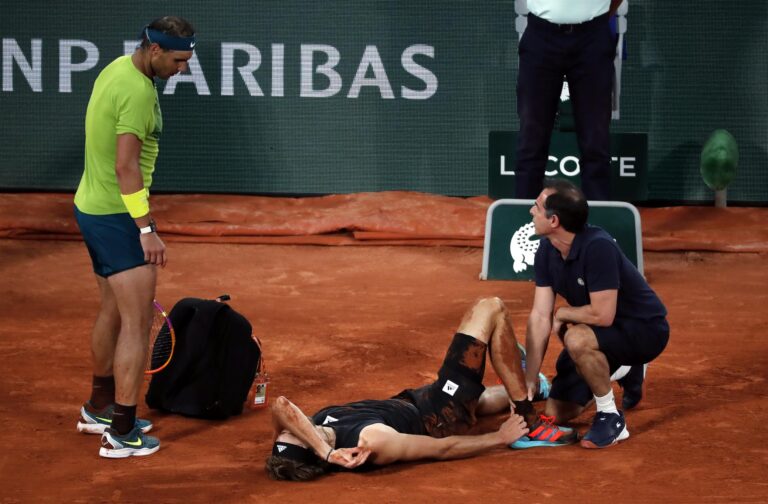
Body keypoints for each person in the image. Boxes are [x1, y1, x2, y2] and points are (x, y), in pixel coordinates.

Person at [265, 297, 578, 481]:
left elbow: (281, 407)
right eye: (297, 435)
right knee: (490, 308)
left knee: (481, 399)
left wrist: (325, 451)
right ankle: (528, 419)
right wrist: (499, 437)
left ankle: (531, 386)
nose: (297, 428)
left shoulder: (319, 429)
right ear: (310, 448)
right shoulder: (370, 441)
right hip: (441, 414)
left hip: (417, 399)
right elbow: (441, 449)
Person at [72, 16, 196, 458]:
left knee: (112, 309)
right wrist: (146, 229)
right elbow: (126, 167)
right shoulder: (139, 93)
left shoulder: (118, 68)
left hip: (91, 207)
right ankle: (122, 432)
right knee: (137, 323)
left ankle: (99, 407)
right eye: (178, 61)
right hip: (118, 216)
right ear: (155, 50)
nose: (183, 69)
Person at [523, 179, 669, 448]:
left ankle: (610, 416)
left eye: (537, 207)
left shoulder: (598, 247)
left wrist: (564, 313)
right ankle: (625, 370)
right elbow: (540, 316)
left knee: (576, 338)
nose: (531, 211)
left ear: (553, 221)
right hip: (602, 331)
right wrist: (530, 378)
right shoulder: (547, 250)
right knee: (556, 412)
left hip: (643, 329)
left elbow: (603, 316)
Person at [515, 0, 624, 201]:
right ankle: (525, 214)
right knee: (531, 139)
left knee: (595, 141)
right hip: (541, 35)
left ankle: (598, 216)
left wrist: (597, 16)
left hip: (593, 37)